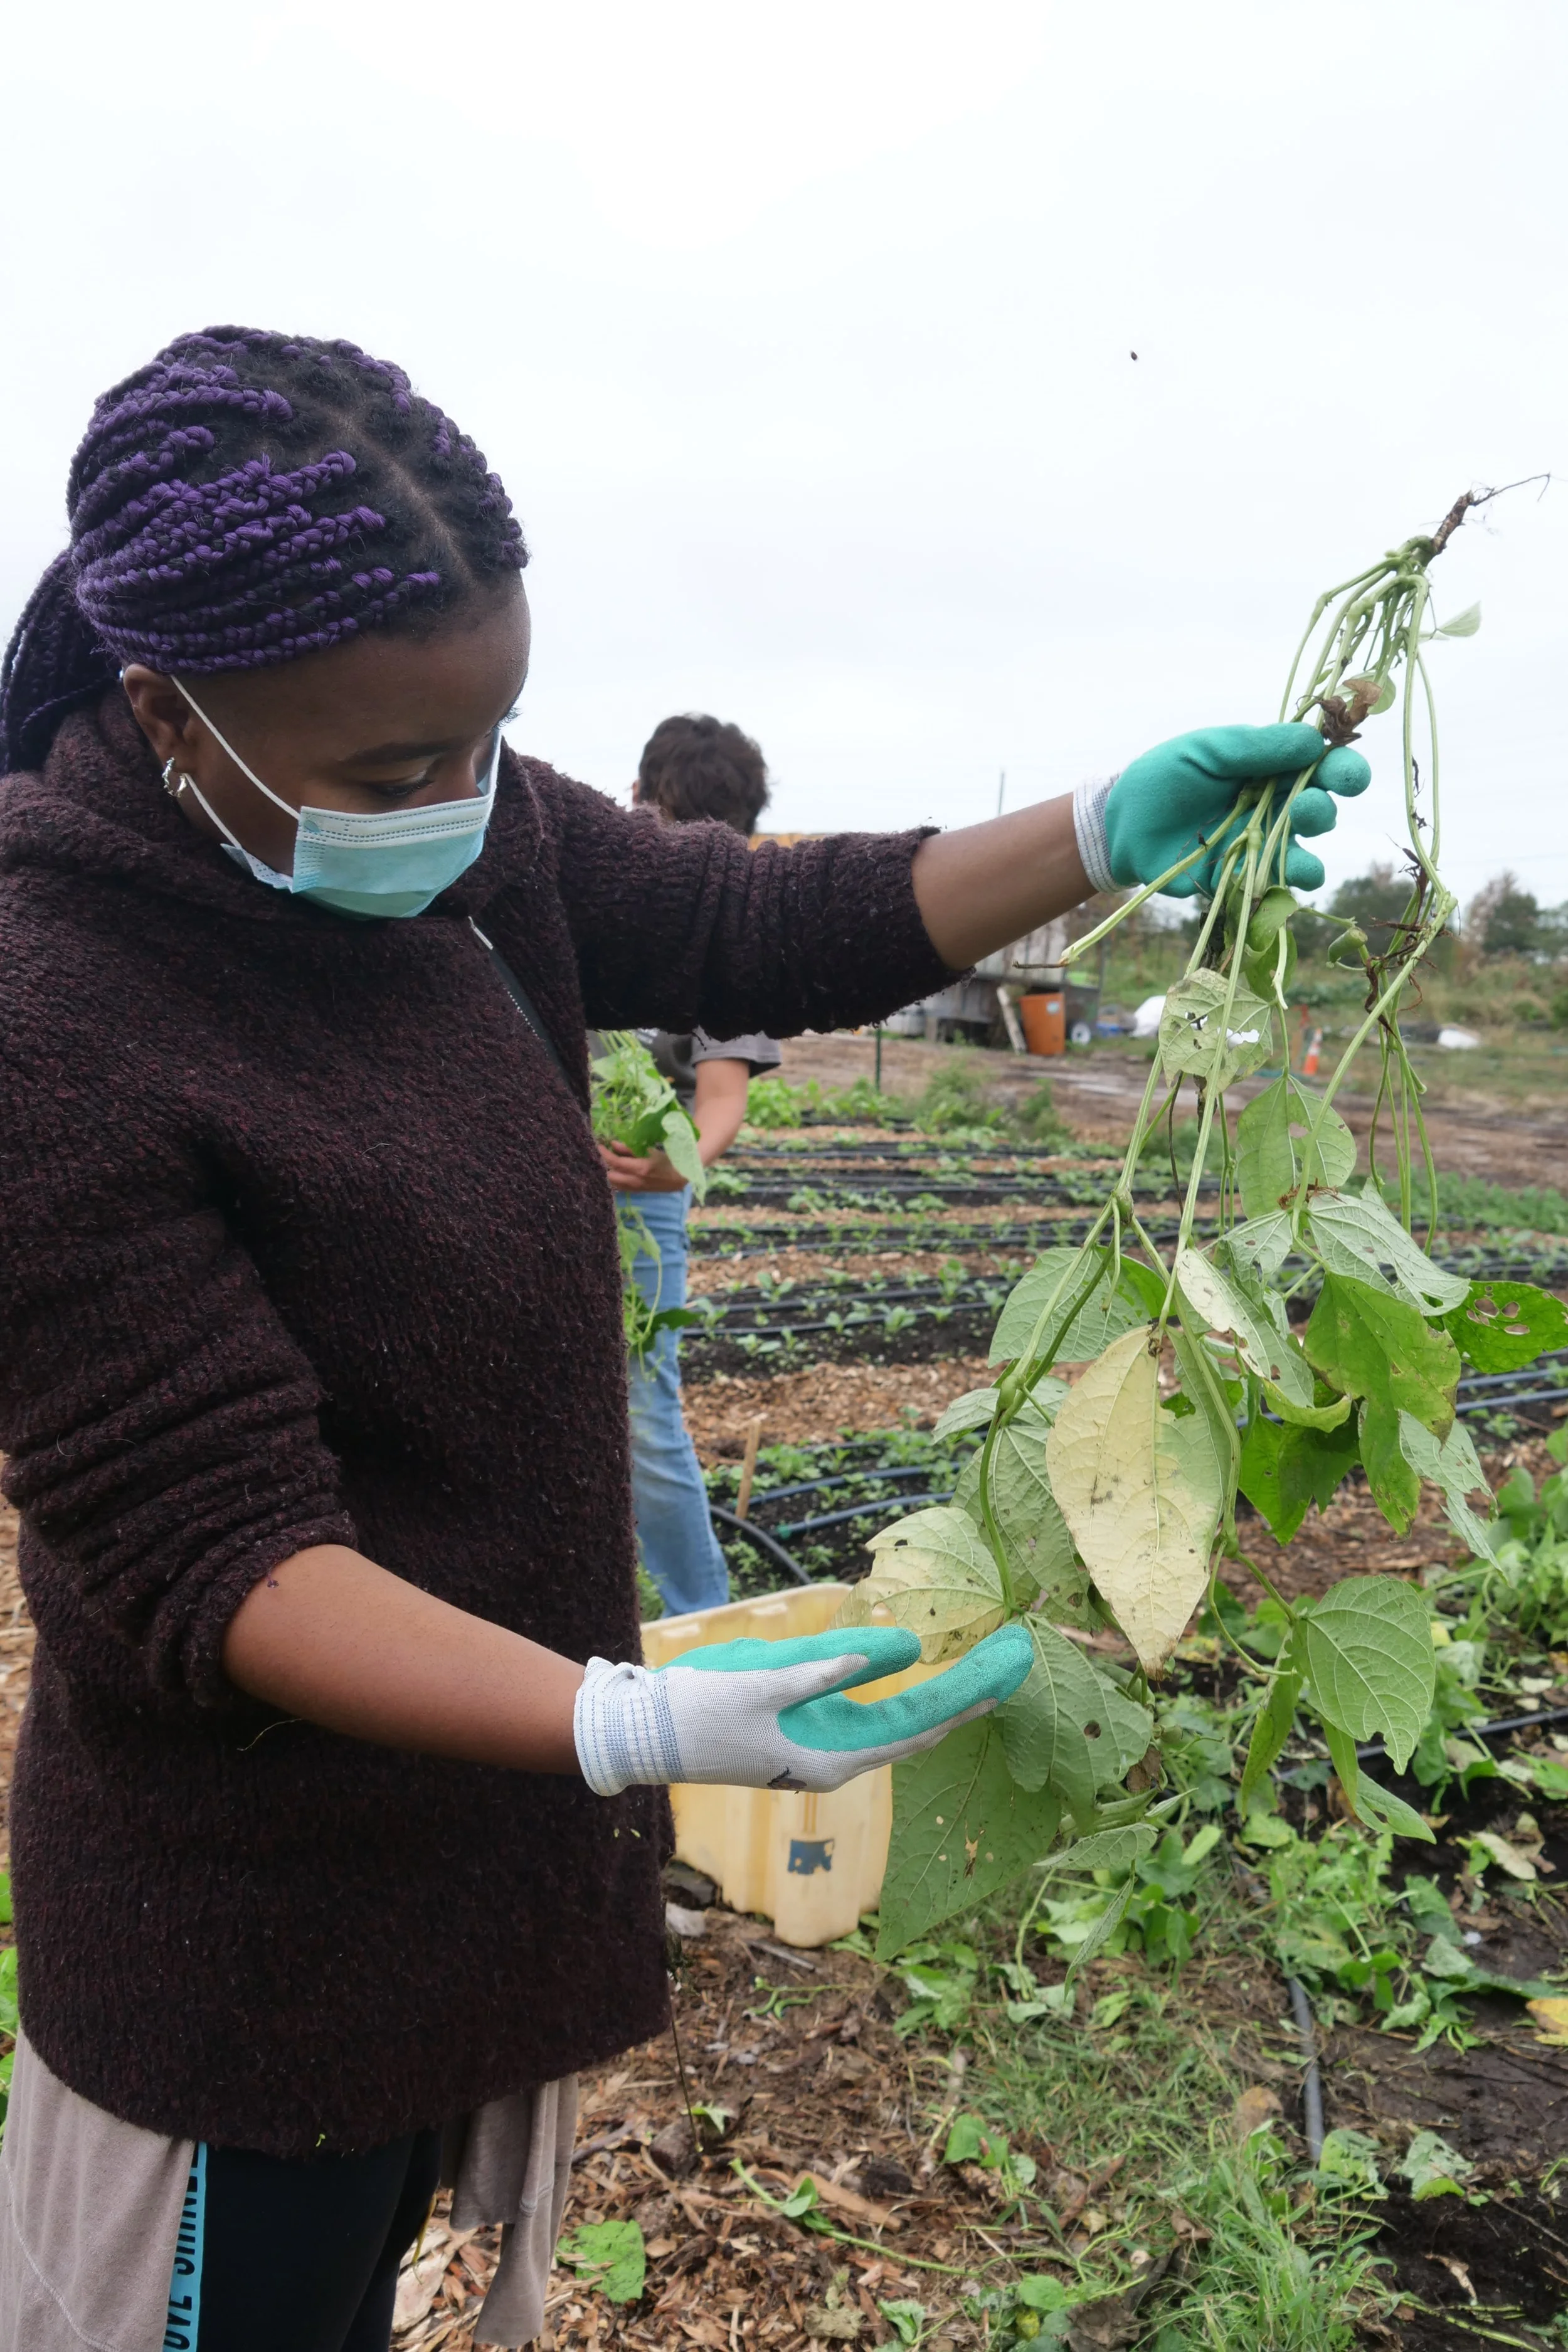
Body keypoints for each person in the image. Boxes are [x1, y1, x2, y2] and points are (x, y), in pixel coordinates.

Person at [0, 326, 1372, 2352]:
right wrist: (625, 1723)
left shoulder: (476, 834)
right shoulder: (57, 1010)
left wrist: (1098, 832)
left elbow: (755, 925)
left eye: (491, 740)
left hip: (454, 1875)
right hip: (253, 1940)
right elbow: (218, 1553)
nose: (461, 805)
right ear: (168, 717)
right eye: (394, 772)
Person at [598, 712, 780, 1616]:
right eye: (671, 830)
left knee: (640, 1417)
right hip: (527, 1177)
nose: (687, 858)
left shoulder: (729, 928)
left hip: (642, 1200)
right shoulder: (586, 884)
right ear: (638, 805)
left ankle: (703, 1621)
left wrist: (683, 1167)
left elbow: (720, 1097)